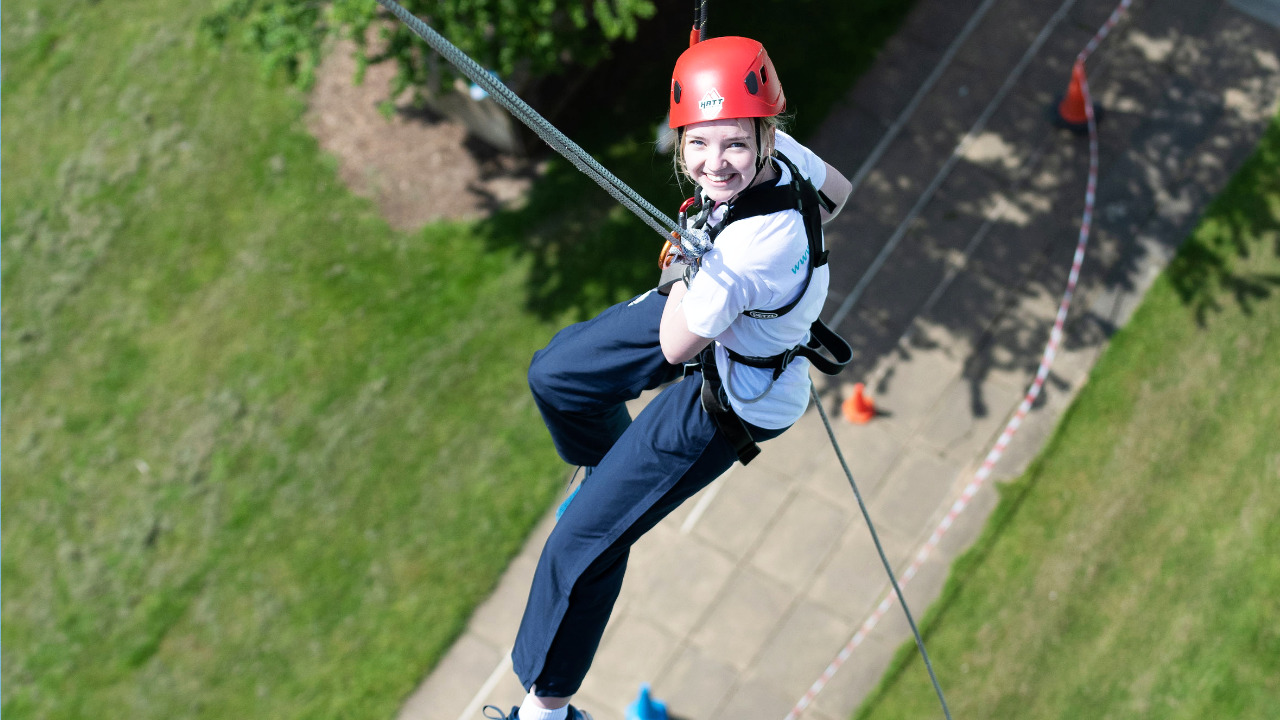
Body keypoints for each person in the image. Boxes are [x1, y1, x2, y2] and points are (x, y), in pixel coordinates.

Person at [486, 35, 853, 720]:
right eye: (700, 144)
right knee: (558, 376)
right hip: (716, 317)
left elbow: (675, 344)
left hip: (728, 391)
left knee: (579, 548)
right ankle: (611, 470)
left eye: (735, 147)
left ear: (764, 135)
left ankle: (548, 711)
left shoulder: (742, 254)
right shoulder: (786, 159)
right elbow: (838, 193)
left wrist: (693, 257)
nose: (716, 164)